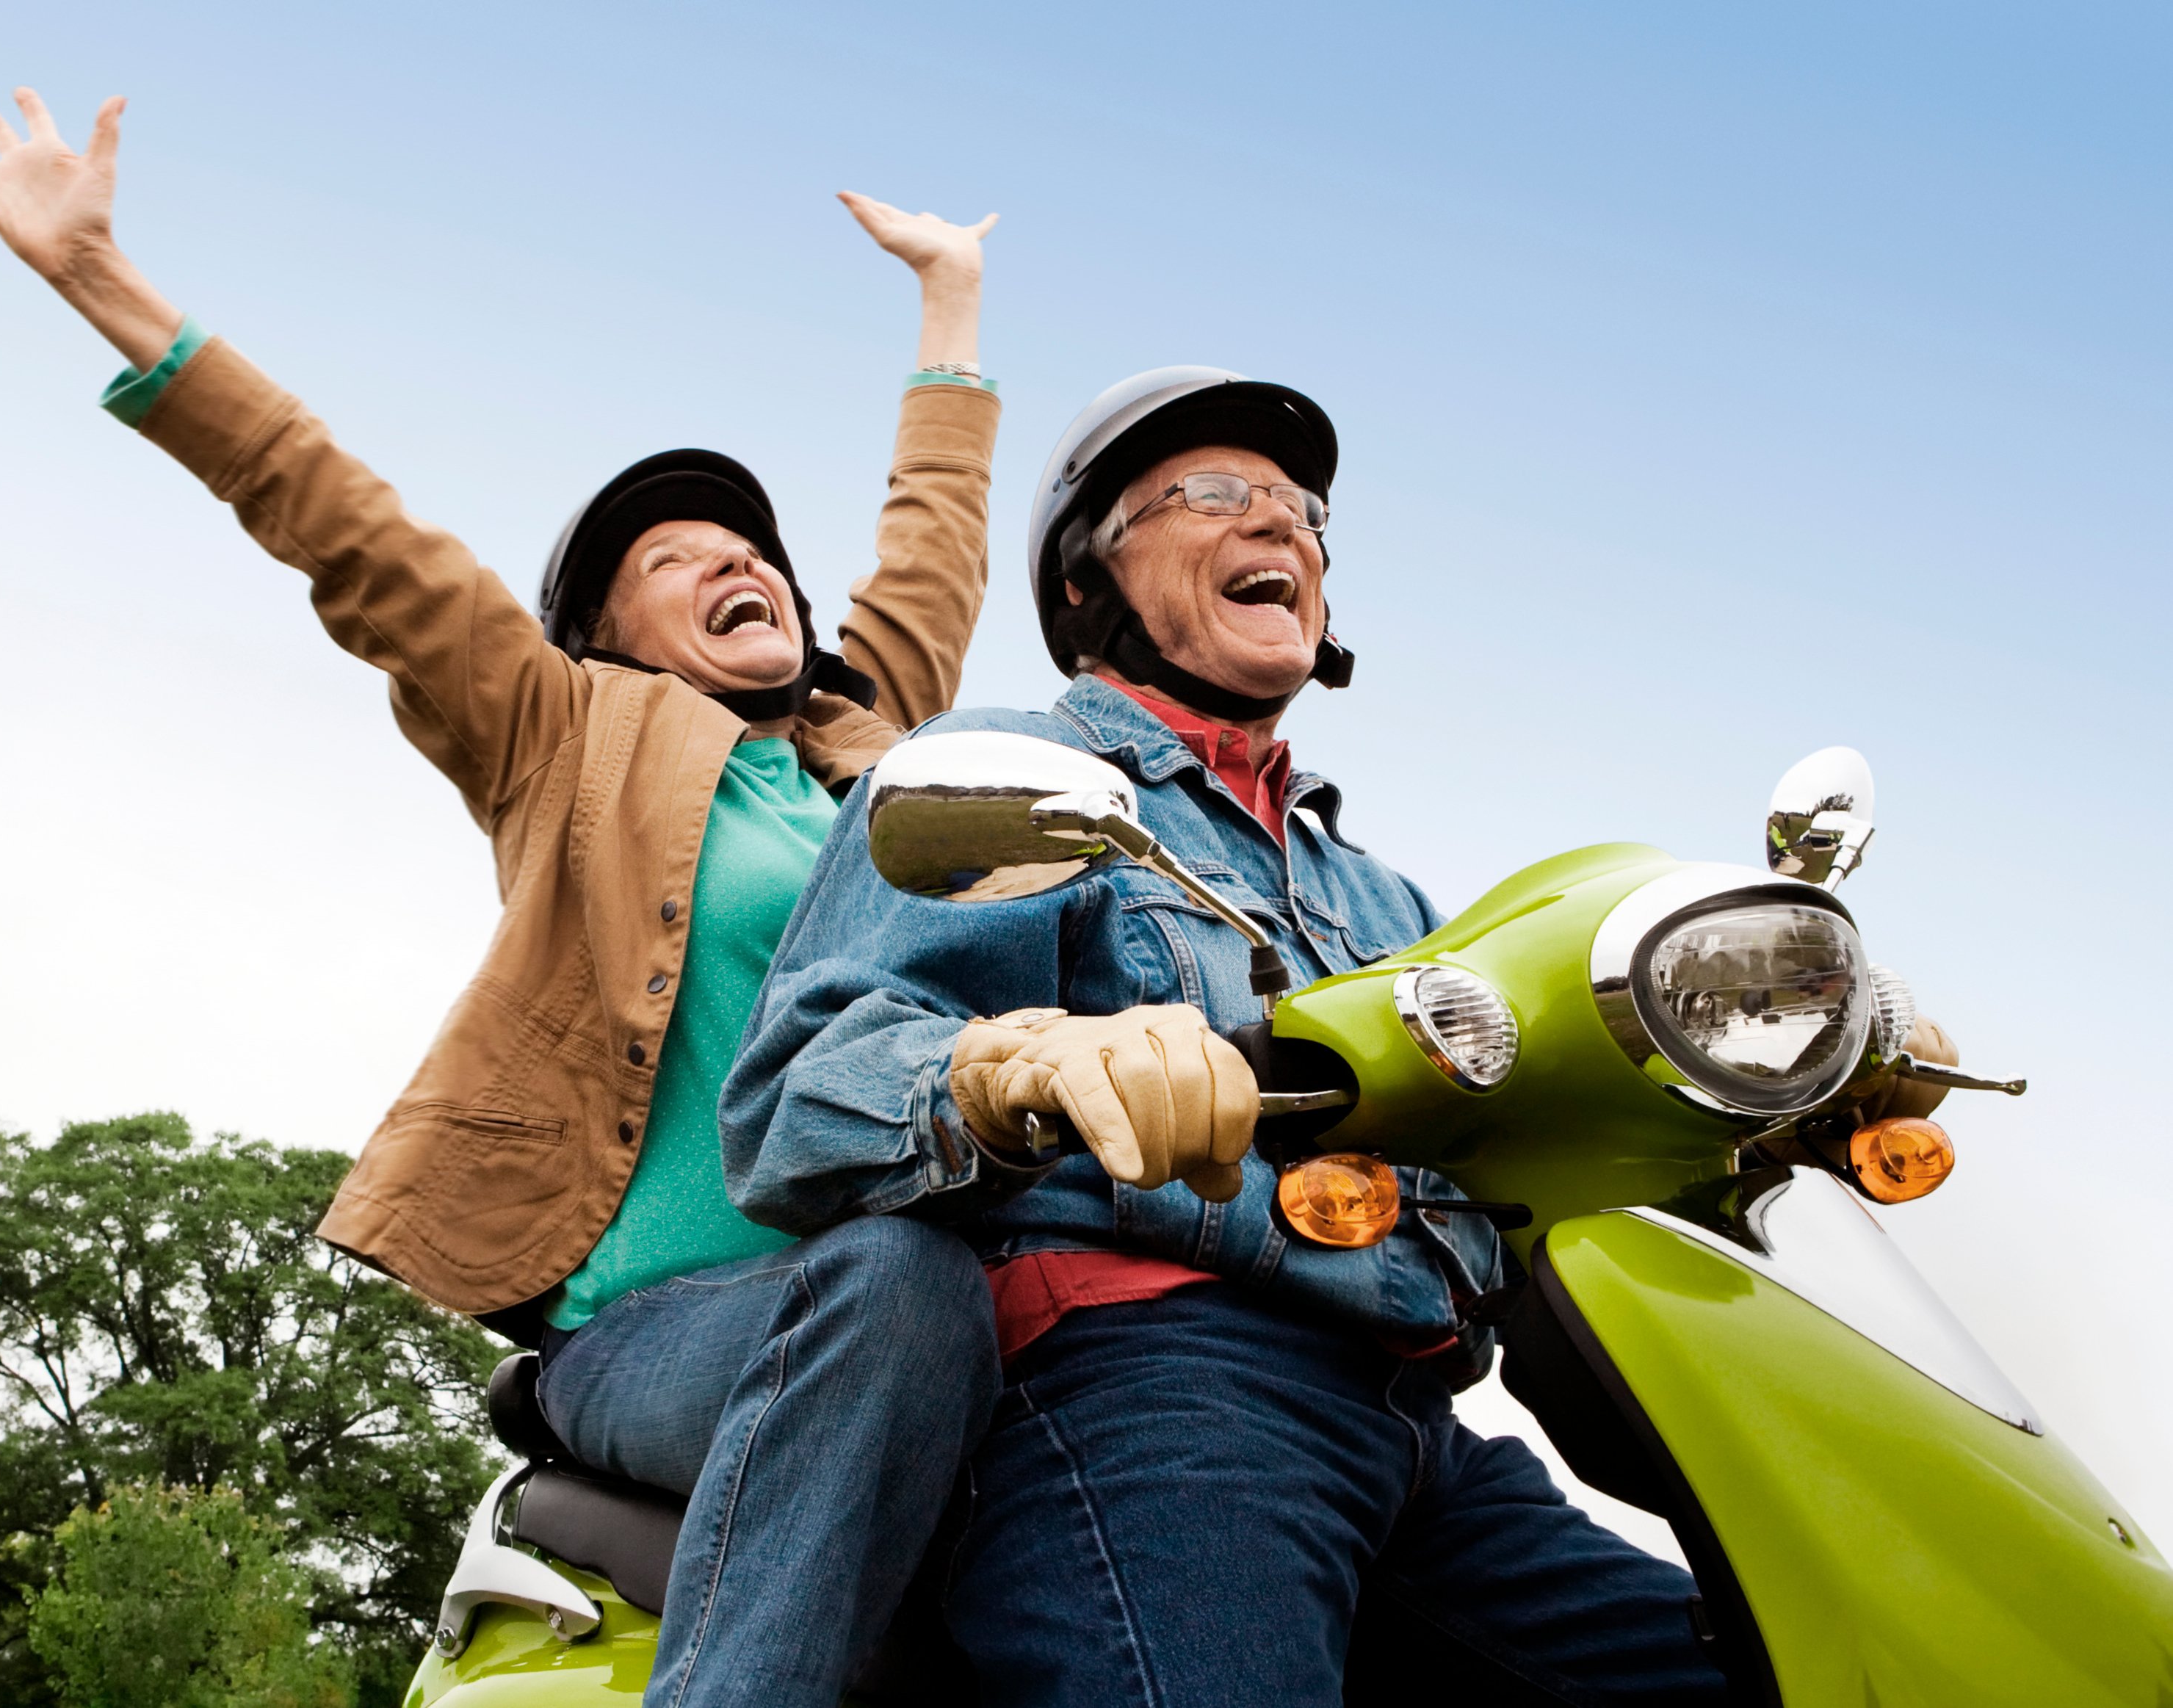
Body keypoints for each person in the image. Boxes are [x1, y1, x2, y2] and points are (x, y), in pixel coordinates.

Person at [0, 88, 1003, 1708]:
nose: (734, 561)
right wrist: (101, 280)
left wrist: (949, 300)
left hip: (921, 1308)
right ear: (613, 637)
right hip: (673, 1322)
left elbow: (933, 547)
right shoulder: (563, 732)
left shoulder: (879, 752)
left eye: (748, 543)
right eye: (675, 558)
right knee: (901, 1284)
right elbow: (345, 522)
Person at [723, 367, 1742, 1704]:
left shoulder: (1389, 901)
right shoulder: (1013, 775)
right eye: (1212, 494)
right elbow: (797, 1095)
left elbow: (1528, 1157)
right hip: (1155, 1385)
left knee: (1775, 1669)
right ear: (1090, 582)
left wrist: (1760, 1098)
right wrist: (1006, 1065)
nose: (1279, 527)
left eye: (1300, 509)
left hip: (1429, 1431)